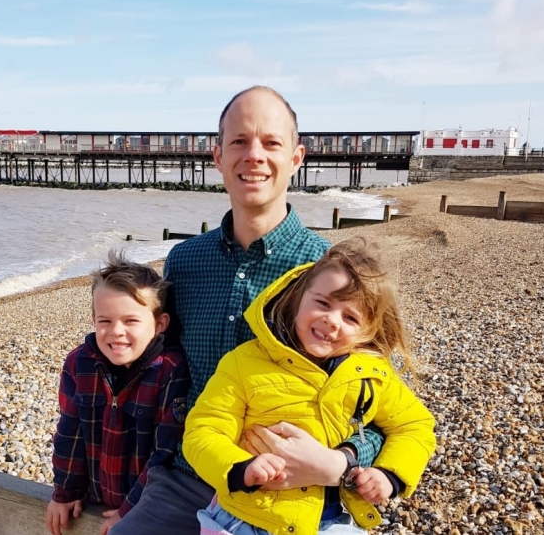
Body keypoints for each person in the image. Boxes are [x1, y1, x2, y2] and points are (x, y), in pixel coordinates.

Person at [109, 86, 386, 535]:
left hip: (291, 490)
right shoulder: (185, 261)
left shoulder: (328, 275)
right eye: (239, 141)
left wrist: (339, 463)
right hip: (191, 476)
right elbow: (163, 377)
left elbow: (377, 403)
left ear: (297, 158)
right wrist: (111, 487)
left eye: (271, 142)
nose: (253, 155)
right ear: (217, 157)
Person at [184, 237, 437, 534]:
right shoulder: (244, 362)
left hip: (329, 519)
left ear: (369, 329)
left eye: (350, 317)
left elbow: (415, 426)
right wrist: (240, 467)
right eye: (323, 303)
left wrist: (389, 474)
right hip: (248, 517)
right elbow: (203, 429)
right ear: (298, 298)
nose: (331, 320)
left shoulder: (372, 374)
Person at [46, 251, 190, 535]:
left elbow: (165, 453)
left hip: (142, 504)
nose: (116, 332)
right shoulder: (80, 363)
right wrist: (65, 491)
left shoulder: (170, 371)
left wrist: (132, 508)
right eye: (105, 321)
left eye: (131, 321)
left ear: (160, 324)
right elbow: (69, 433)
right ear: (93, 319)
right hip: (95, 496)